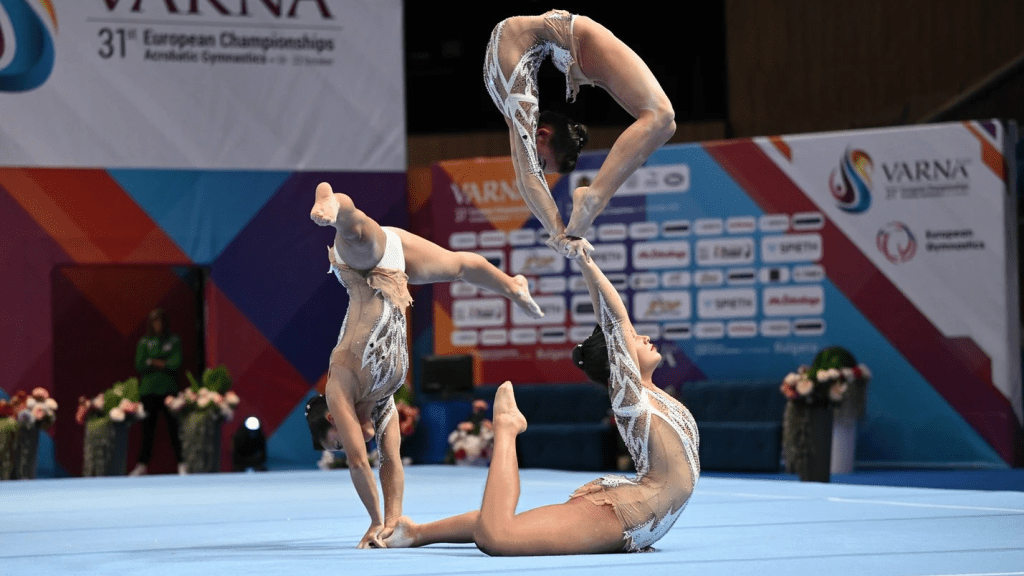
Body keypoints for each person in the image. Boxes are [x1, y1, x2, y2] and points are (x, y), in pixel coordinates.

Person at [381, 252, 700, 555]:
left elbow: (620, 325)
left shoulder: (654, 393)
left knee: (514, 527)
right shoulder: (630, 399)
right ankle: (507, 427)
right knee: (501, 536)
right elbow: (615, 321)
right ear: (621, 361)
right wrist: (584, 261)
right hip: (626, 515)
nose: (642, 337)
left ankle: (417, 532)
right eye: (633, 340)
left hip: (642, 511)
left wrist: (584, 260)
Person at [306, 182, 544, 548]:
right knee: (462, 265)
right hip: (396, 269)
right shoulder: (382, 402)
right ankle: (513, 285)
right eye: (341, 447)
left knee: (353, 230)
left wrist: (371, 523)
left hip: (360, 269)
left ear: (333, 420)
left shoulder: (340, 385)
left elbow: (358, 463)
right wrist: (391, 522)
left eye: (335, 442)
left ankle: (332, 200)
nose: (347, 445)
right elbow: (390, 462)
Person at [484, 9, 676, 255]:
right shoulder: (518, 109)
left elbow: (529, 177)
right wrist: (560, 234)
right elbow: (526, 178)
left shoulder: (520, 104)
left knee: (663, 120)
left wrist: (558, 232)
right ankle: (594, 198)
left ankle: (594, 197)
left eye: (542, 161)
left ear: (543, 134)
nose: (536, 162)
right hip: (561, 44)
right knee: (662, 120)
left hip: (576, 37)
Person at [130, 308, 187, 476]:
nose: (158, 325)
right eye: (155, 322)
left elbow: (175, 363)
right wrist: (163, 361)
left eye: (161, 321)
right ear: (150, 324)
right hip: (149, 391)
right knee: (148, 431)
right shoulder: (144, 342)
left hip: (168, 391)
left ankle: (182, 464)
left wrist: (152, 361)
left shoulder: (174, 340)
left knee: (174, 430)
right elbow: (140, 365)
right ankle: (142, 464)